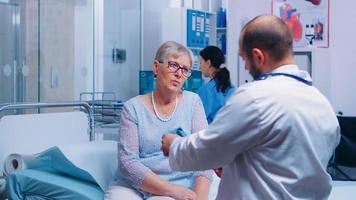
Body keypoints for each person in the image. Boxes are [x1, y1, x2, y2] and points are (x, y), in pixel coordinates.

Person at [161, 15, 340, 200]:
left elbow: (208, 150)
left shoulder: (255, 97)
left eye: (244, 58)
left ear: (258, 56)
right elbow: (282, 158)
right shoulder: (322, 105)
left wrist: (174, 145)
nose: (246, 67)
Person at [105, 41, 213, 200]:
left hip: (184, 182)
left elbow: (204, 155)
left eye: (185, 70)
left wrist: (199, 197)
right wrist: (172, 190)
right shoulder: (132, 108)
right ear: (156, 67)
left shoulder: (193, 102)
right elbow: (128, 163)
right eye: (173, 65)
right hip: (138, 184)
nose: (178, 73)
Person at [197, 46, 236, 124]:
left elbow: (200, 123)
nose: (199, 67)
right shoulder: (233, 89)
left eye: (201, 62)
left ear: (208, 63)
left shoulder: (205, 90)